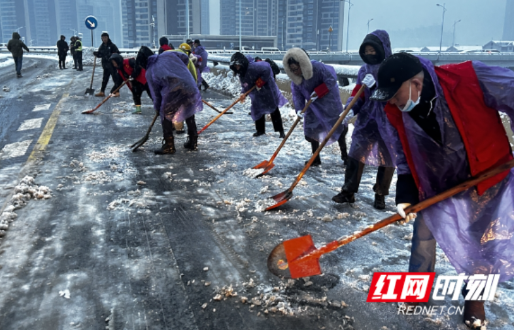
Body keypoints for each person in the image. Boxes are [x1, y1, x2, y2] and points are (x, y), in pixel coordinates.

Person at [371, 52, 514, 328]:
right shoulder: (396, 111)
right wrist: (406, 195)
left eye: (394, 93)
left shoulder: (468, 78)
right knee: (423, 235)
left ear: (416, 83)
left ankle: (475, 300)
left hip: (486, 175)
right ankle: (416, 290)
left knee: (483, 242)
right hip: (436, 183)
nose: (391, 100)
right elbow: (403, 155)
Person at [332, 30, 397, 210]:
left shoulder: (393, 69)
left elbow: (395, 95)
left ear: (382, 49)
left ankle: (380, 194)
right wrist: (350, 109)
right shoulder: (363, 70)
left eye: (373, 50)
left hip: (388, 120)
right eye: (366, 51)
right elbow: (357, 95)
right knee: (356, 153)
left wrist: (376, 86)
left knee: (388, 158)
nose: (369, 54)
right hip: (367, 119)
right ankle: (348, 191)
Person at [282, 48, 346, 166]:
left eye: (296, 69)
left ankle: (345, 155)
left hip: (329, 101)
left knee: (338, 127)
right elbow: (297, 94)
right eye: (292, 70)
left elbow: (331, 80)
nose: (295, 72)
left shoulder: (318, 68)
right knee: (312, 130)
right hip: (312, 105)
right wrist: (299, 109)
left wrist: (319, 91)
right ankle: (315, 157)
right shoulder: (296, 78)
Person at [136, 46, 203, 154]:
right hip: (188, 84)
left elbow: (156, 94)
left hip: (173, 90)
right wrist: (177, 69)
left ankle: (169, 145)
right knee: (188, 111)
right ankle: (193, 140)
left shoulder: (150, 71)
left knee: (165, 113)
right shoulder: (167, 55)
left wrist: (158, 108)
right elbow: (184, 57)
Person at [230, 52, 286, 138]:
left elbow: (267, 70)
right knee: (257, 109)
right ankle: (260, 131)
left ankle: (280, 131)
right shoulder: (241, 74)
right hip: (257, 93)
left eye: (238, 65)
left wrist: (259, 82)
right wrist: (243, 93)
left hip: (268, 90)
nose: (237, 67)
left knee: (273, 109)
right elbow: (245, 85)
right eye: (235, 66)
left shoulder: (254, 67)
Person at [93, 32, 120, 97]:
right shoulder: (102, 46)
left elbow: (117, 53)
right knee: (105, 79)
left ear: (108, 38)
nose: (104, 39)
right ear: (101, 39)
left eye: (105, 37)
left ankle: (117, 92)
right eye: (103, 38)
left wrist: (111, 56)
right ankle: (102, 92)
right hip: (105, 65)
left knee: (115, 79)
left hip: (112, 65)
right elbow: (100, 54)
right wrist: (97, 54)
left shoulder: (112, 46)